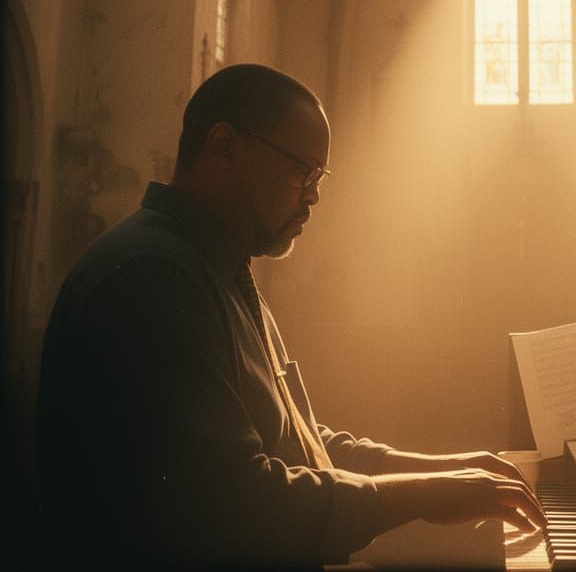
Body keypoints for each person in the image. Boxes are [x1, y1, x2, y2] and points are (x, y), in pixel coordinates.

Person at [36, 63, 545, 570]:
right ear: (224, 146)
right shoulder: (152, 277)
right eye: (302, 170)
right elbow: (237, 502)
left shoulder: (217, 268)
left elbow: (295, 440)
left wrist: (445, 468)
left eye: (319, 175)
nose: (314, 194)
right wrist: (421, 496)